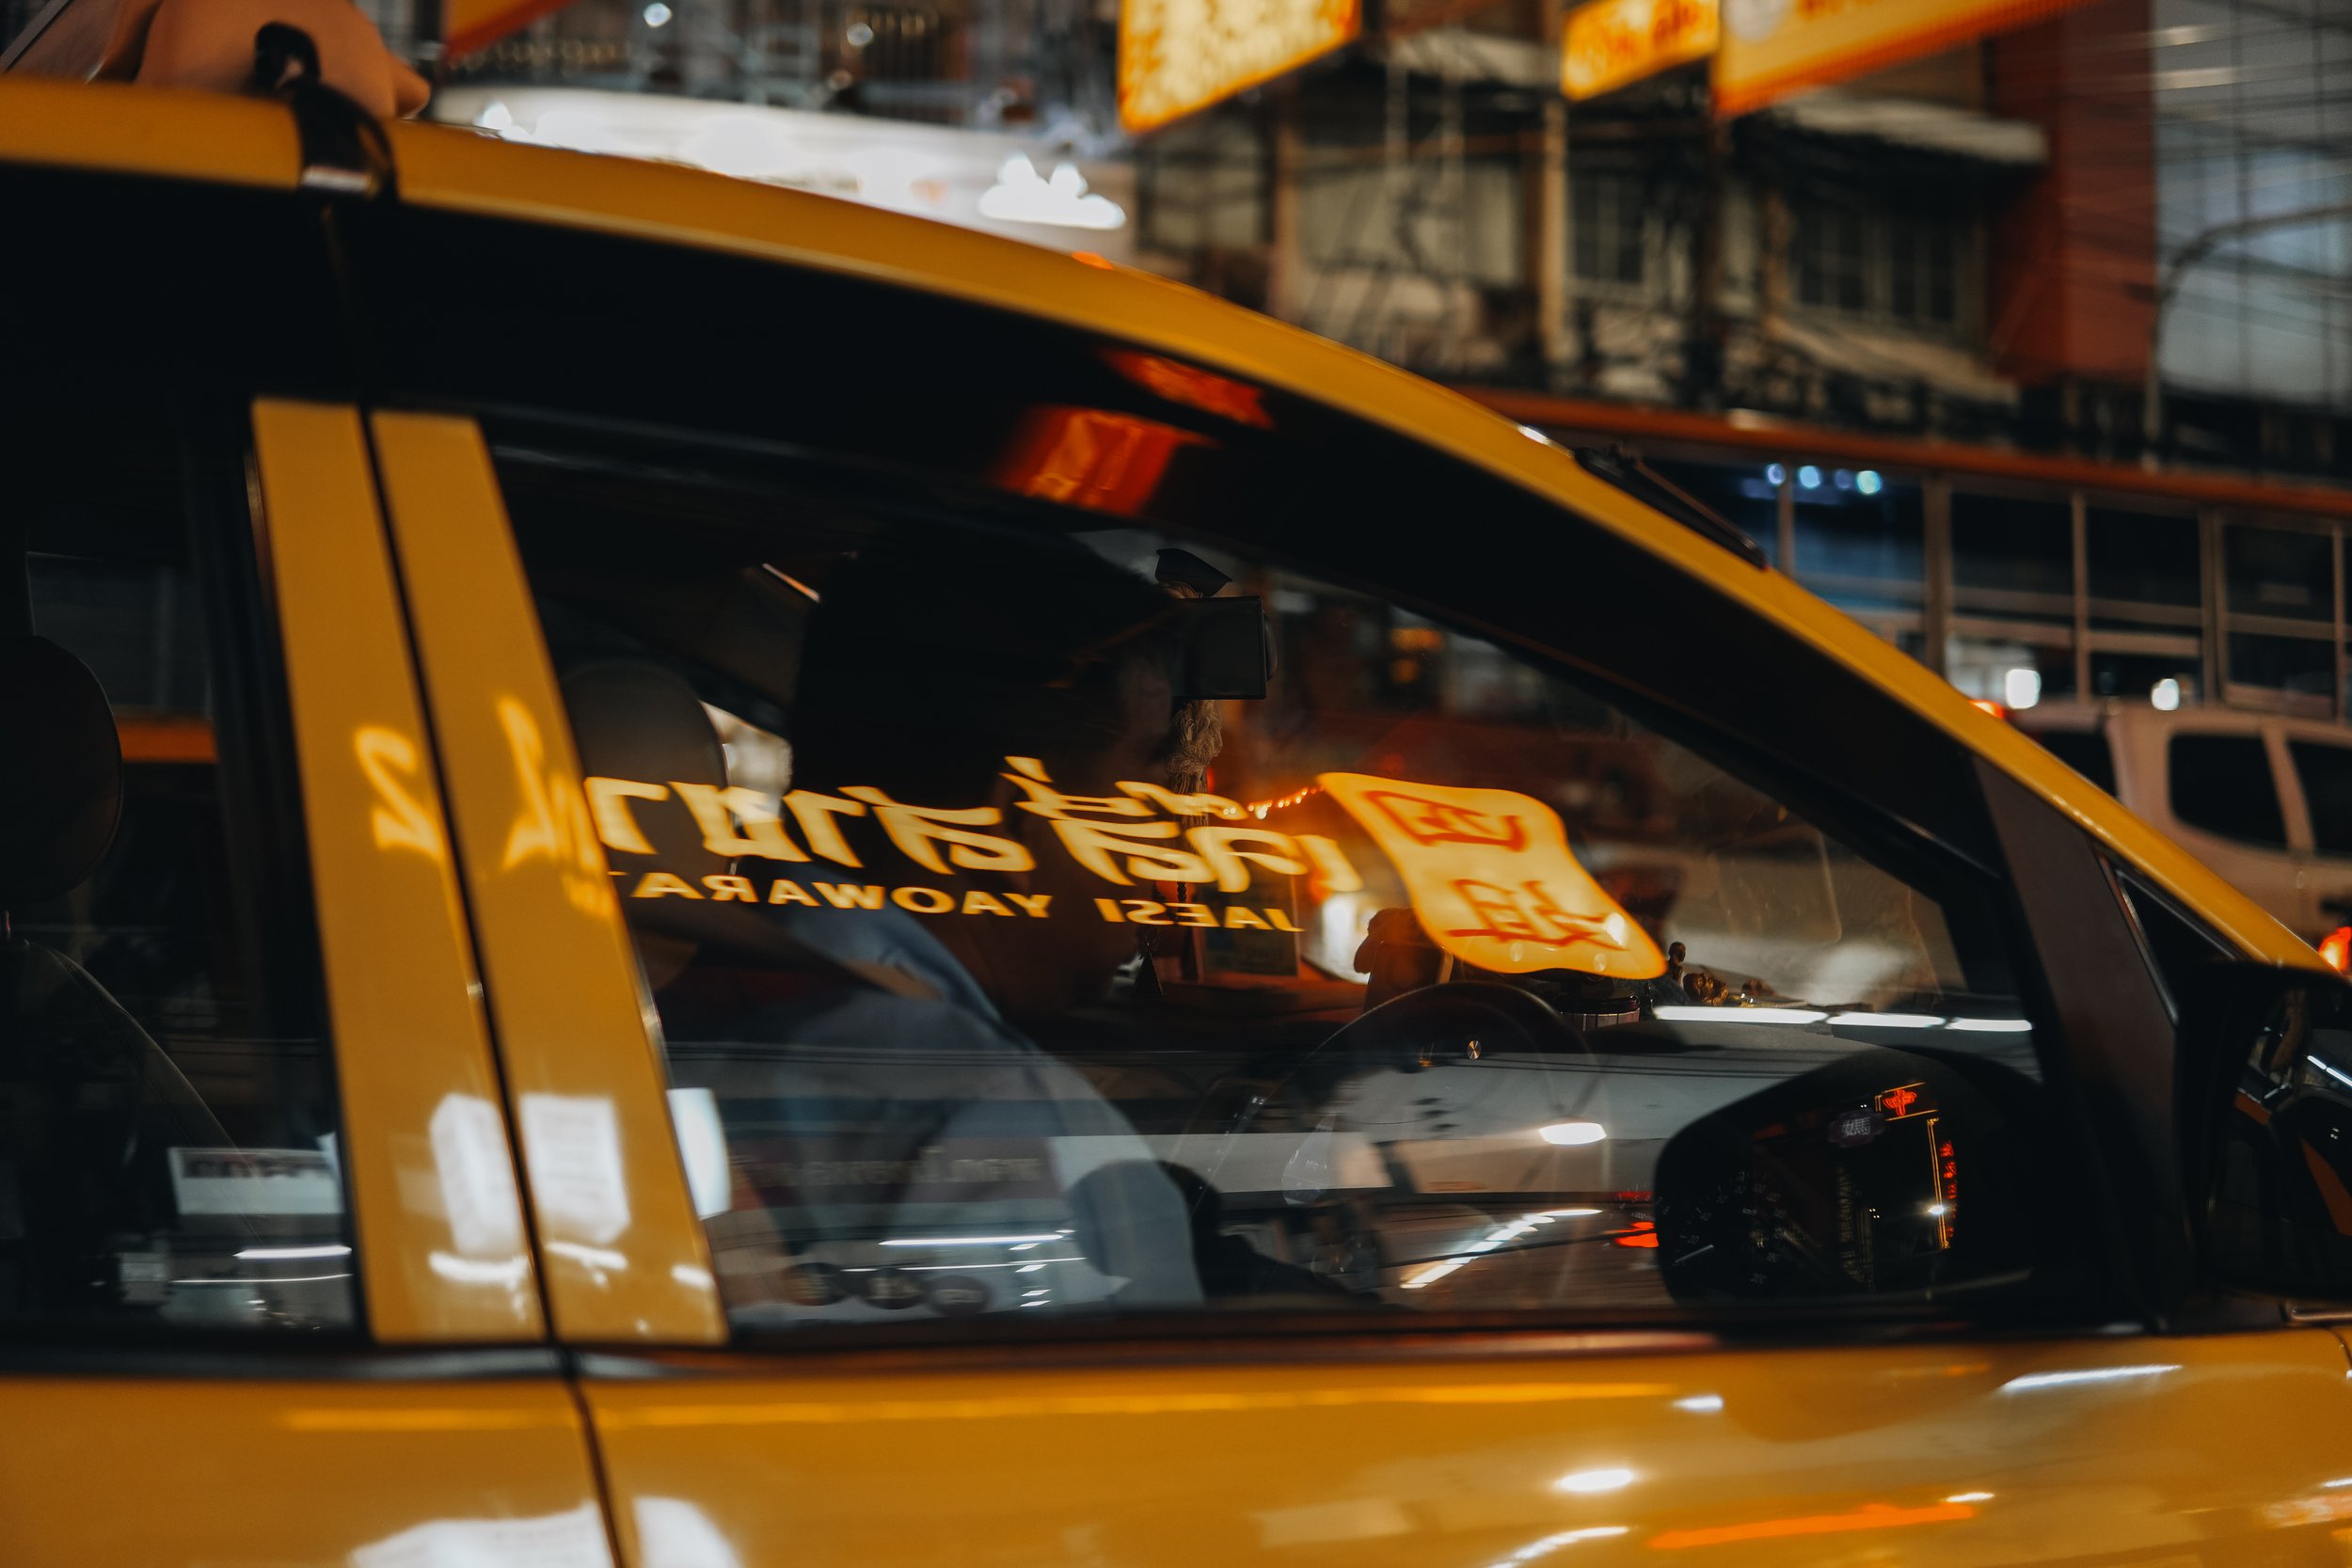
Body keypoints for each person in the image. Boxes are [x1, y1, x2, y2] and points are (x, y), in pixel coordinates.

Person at [571, 537, 1220, 1319]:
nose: (1169, 842)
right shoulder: (994, 1115)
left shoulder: (645, 1014)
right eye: (1145, 794)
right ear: (1010, 828)